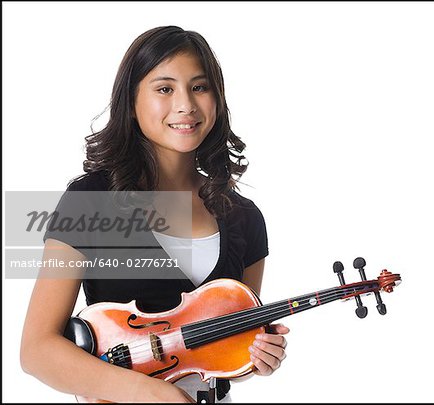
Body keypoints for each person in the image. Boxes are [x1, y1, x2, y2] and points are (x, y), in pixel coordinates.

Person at [20, 25, 289, 403]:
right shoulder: (91, 199)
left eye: (200, 87)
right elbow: (37, 350)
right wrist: (150, 393)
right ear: (131, 102)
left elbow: (218, 351)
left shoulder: (244, 216)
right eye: (165, 89)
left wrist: (256, 358)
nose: (186, 105)